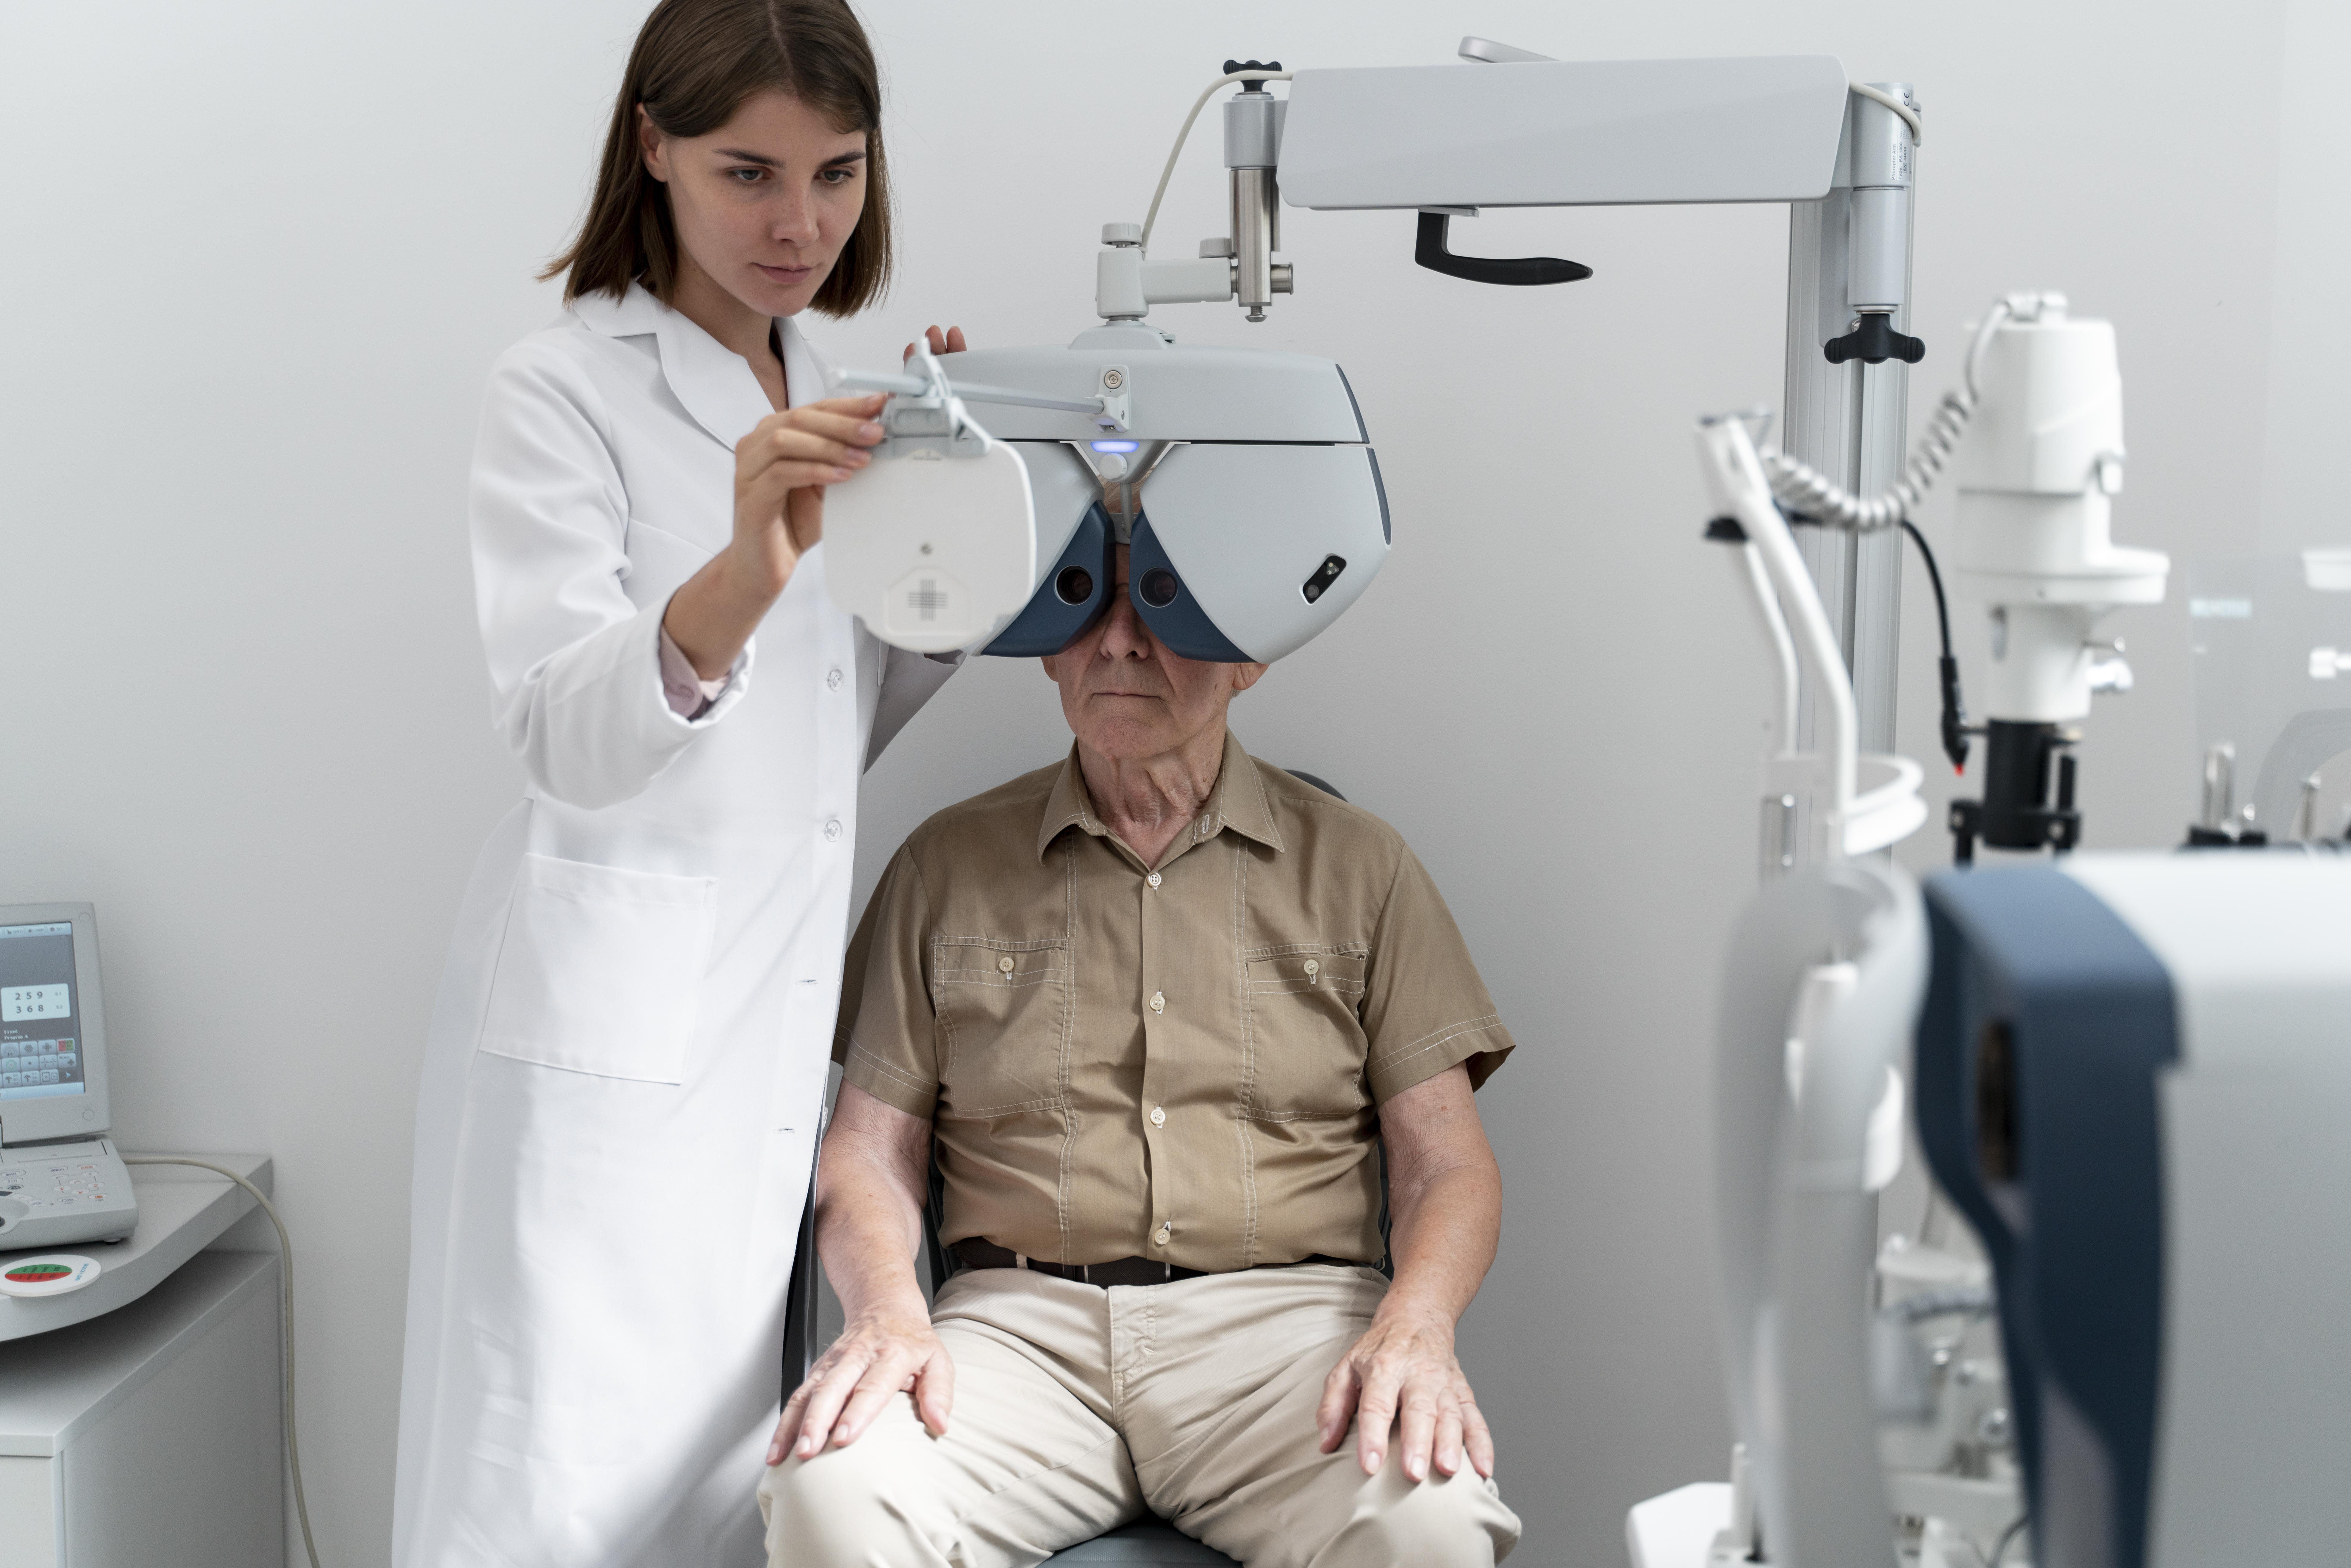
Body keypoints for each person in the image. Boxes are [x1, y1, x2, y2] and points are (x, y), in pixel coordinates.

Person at [393, 3, 966, 1561]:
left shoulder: (834, 387)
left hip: (760, 1037)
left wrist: (958, 524)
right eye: (747, 172)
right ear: (651, 147)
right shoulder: (561, 388)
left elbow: (829, 727)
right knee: (551, 1490)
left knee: (724, 1499)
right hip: (603, 1043)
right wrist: (747, 561)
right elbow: (561, 732)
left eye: (837, 174)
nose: (799, 223)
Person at [759, 544, 1525, 1567]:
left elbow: (1447, 1167)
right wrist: (887, 1315)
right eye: (1089, 606)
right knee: (832, 1498)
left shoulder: (1362, 865)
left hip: (1288, 1340)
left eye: (1164, 605)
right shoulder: (944, 865)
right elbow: (868, 1154)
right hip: (1012, 1339)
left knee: (1430, 1523)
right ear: (1047, 652)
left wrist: (1416, 1328)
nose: (1118, 641)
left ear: (1248, 654)